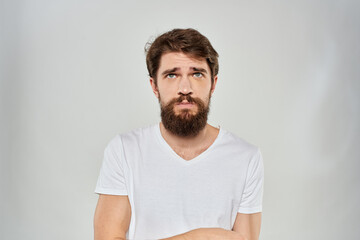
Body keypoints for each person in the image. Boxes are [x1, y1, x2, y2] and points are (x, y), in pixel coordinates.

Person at [94, 28, 264, 240]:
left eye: (197, 74)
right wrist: (197, 237)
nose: (185, 88)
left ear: (213, 84)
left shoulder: (246, 157)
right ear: (154, 86)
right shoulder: (124, 150)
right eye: (172, 75)